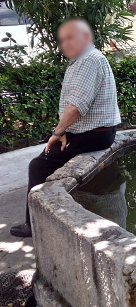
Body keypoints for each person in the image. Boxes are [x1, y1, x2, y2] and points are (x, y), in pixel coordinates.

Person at [10, 18, 121, 238]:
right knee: (45, 160)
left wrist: (59, 132)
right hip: (92, 133)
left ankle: (34, 225)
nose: (66, 44)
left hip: (93, 134)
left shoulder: (88, 60)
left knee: (38, 166)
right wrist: (62, 132)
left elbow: (77, 106)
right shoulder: (87, 58)